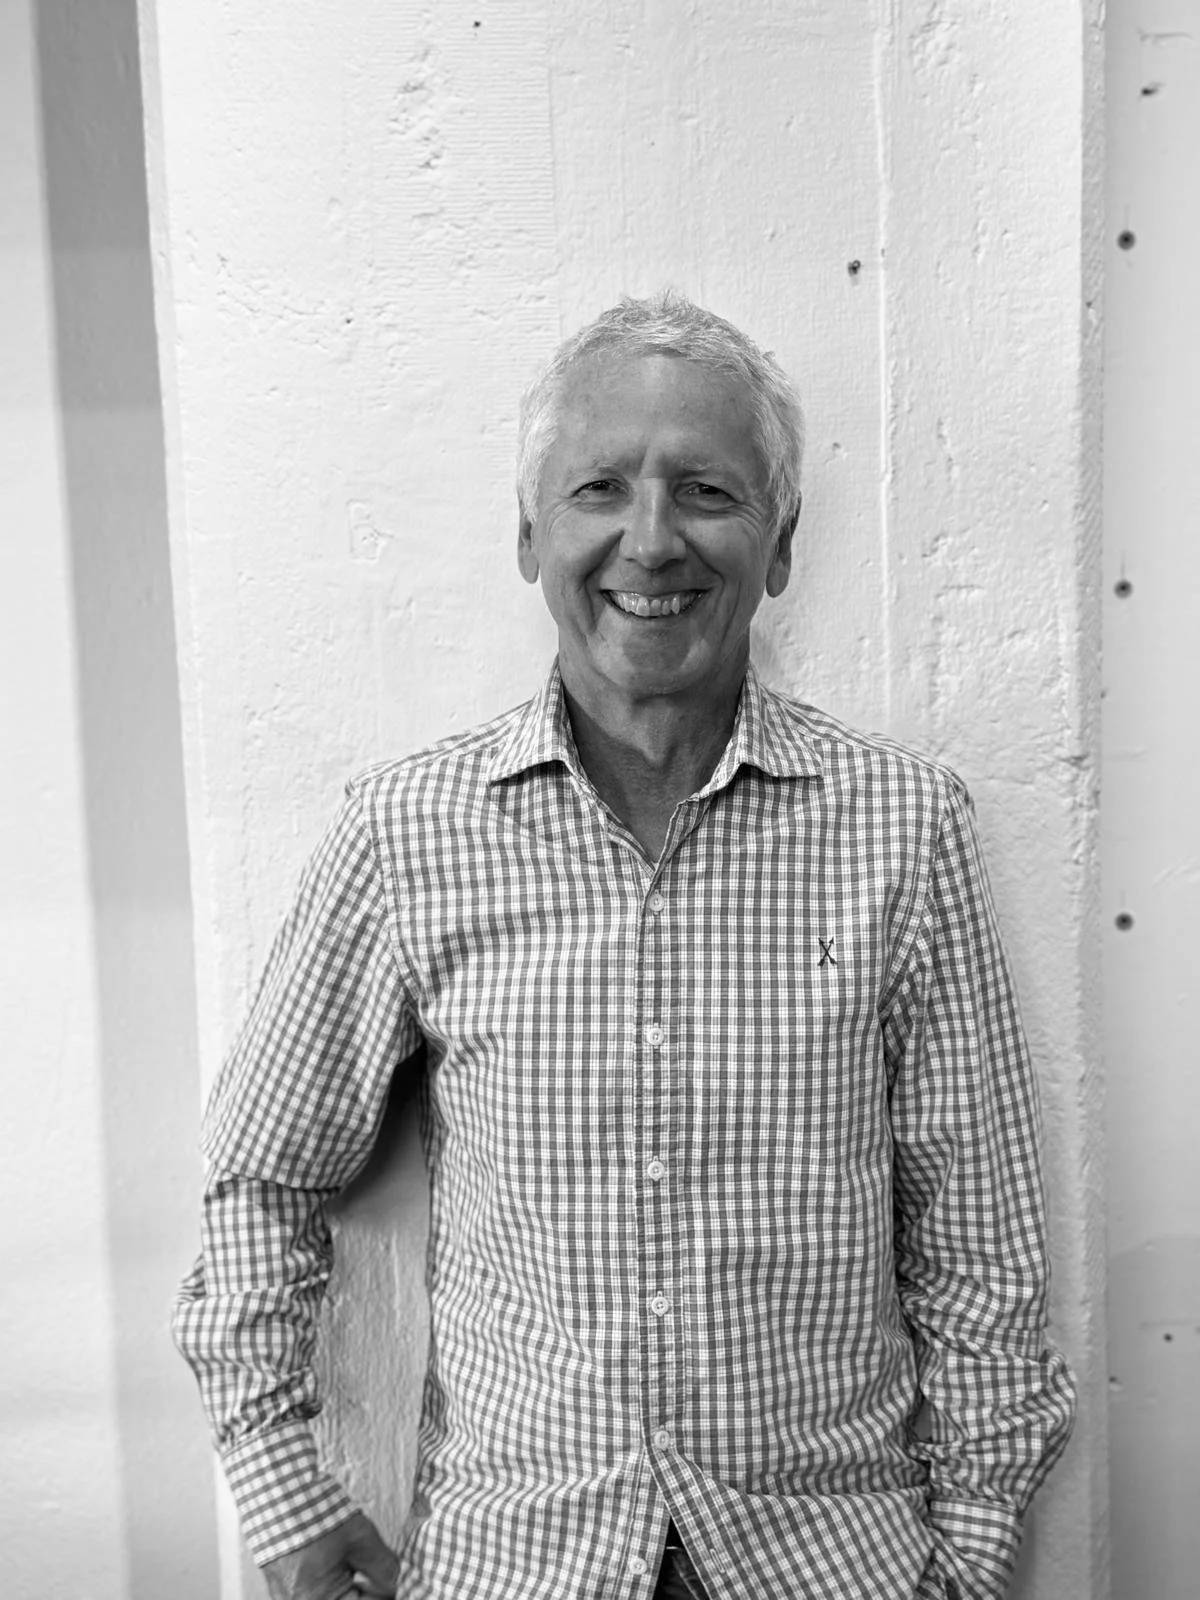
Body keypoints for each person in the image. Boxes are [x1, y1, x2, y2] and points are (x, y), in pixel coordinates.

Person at [175, 291, 1075, 1600]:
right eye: (601, 488)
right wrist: (281, 1486)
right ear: (530, 535)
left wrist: (978, 1549)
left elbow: (979, 1240)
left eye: (706, 491)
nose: (650, 542)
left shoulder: (903, 830)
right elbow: (262, 1179)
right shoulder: (406, 836)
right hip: (517, 1560)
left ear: (779, 546)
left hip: (833, 1563)